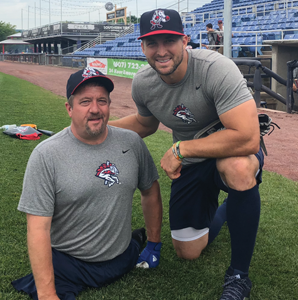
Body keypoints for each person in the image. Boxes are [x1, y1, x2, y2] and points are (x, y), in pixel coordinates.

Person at [109, 8, 264, 300]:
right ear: (142, 46)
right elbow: (145, 123)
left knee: (238, 169)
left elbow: (247, 138)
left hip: (230, 150)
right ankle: (233, 208)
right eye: (152, 43)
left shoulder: (214, 68)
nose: (161, 50)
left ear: (185, 40)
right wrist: (99, 129)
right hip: (192, 163)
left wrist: (181, 147)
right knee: (188, 251)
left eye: (169, 40)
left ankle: (239, 277)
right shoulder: (143, 83)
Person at [11, 67, 163, 300]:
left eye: (102, 100)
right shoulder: (46, 155)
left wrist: (153, 244)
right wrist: (46, 294)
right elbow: (37, 228)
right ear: (69, 109)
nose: (95, 109)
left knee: (134, 243)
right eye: (85, 101)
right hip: (70, 266)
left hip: (122, 258)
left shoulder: (131, 142)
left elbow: (150, 191)